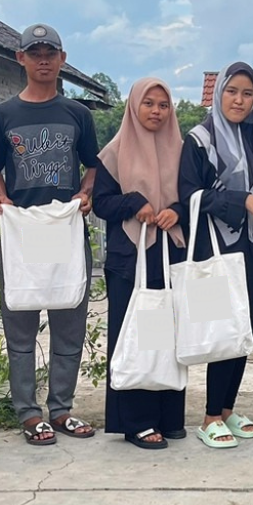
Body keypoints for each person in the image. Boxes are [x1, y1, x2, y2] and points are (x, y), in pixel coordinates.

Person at [0, 24, 99, 444]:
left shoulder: (77, 114)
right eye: (35, 53)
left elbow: (93, 164)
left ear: (63, 59)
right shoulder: (2, 115)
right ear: (21, 59)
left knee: (69, 322)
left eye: (51, 53)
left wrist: (85, 194)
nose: (44, 60)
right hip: (23, 234)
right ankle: (29, 413)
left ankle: (62, 408)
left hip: (64, 232)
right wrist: (0, 198)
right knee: (21, 327)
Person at [179, 62, 253, 448]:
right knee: (221, 332)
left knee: (243, 329)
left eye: (247, 93)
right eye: (232, 91)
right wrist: (241, 199)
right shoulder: (199, 139)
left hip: (251, 246)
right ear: (219, 94)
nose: (239, 100)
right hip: (215, 246)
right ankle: (210, 416)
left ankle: (228, 410)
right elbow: (188, 195)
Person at [94, 77, 188, 450]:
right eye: (148, 103)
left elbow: (193, 195)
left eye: (163, 105)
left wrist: (176, 210)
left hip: (170, 252)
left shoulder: (182, 150)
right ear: (134, 106)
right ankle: (136, 421)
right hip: (130, 258)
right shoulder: (114, 152)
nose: (156, 111)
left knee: (167, 336)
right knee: (136, 336)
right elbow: (102, 203)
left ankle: (169, 417)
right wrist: (134, 202)